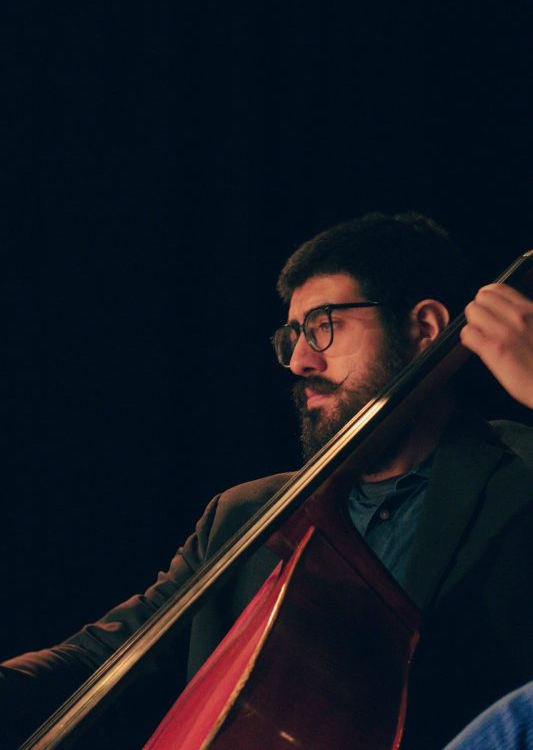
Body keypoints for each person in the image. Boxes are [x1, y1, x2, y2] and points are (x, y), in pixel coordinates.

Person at [1, 213, 532, 749]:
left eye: (324, 325)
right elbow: (101, 658)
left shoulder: (521, 475)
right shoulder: (247, 514)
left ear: (425, 328)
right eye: (293, 336)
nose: (300, 360)